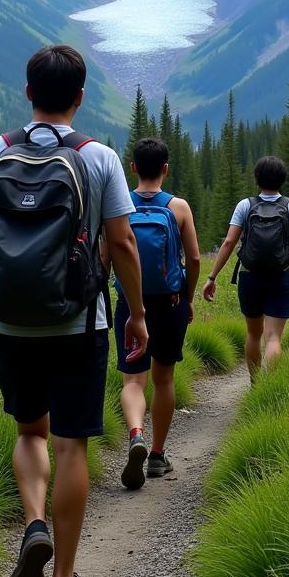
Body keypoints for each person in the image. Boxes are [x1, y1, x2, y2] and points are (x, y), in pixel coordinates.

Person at [0, 45, 149, 577]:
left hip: (8, 321)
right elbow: (124, 245)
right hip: (79, 321)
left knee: (30, 430)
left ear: (28, 92)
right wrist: (136, 313)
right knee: (72, 442)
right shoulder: (99, 157)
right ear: (79, 97)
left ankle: (33, 524)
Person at [107, 137, 201, 491]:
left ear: (132, 167)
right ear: (165, 169)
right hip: (170, 304)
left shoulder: (118, 205)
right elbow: (193, 258)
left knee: (133, 380)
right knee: (164, 378)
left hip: (131, 306)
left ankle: (135, 433)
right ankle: (157, 456)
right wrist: (187, 298)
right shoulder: (178, 208)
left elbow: (106, 256)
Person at [202, 156, 289, 381]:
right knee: (273, 338)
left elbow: (229, 242)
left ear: (257, 178)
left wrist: (212, 277)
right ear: (282, 179)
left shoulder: (245, 205)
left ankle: (256, 383)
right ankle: (270, 386)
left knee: (253, 334)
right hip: (281, 277)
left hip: (250, 278)